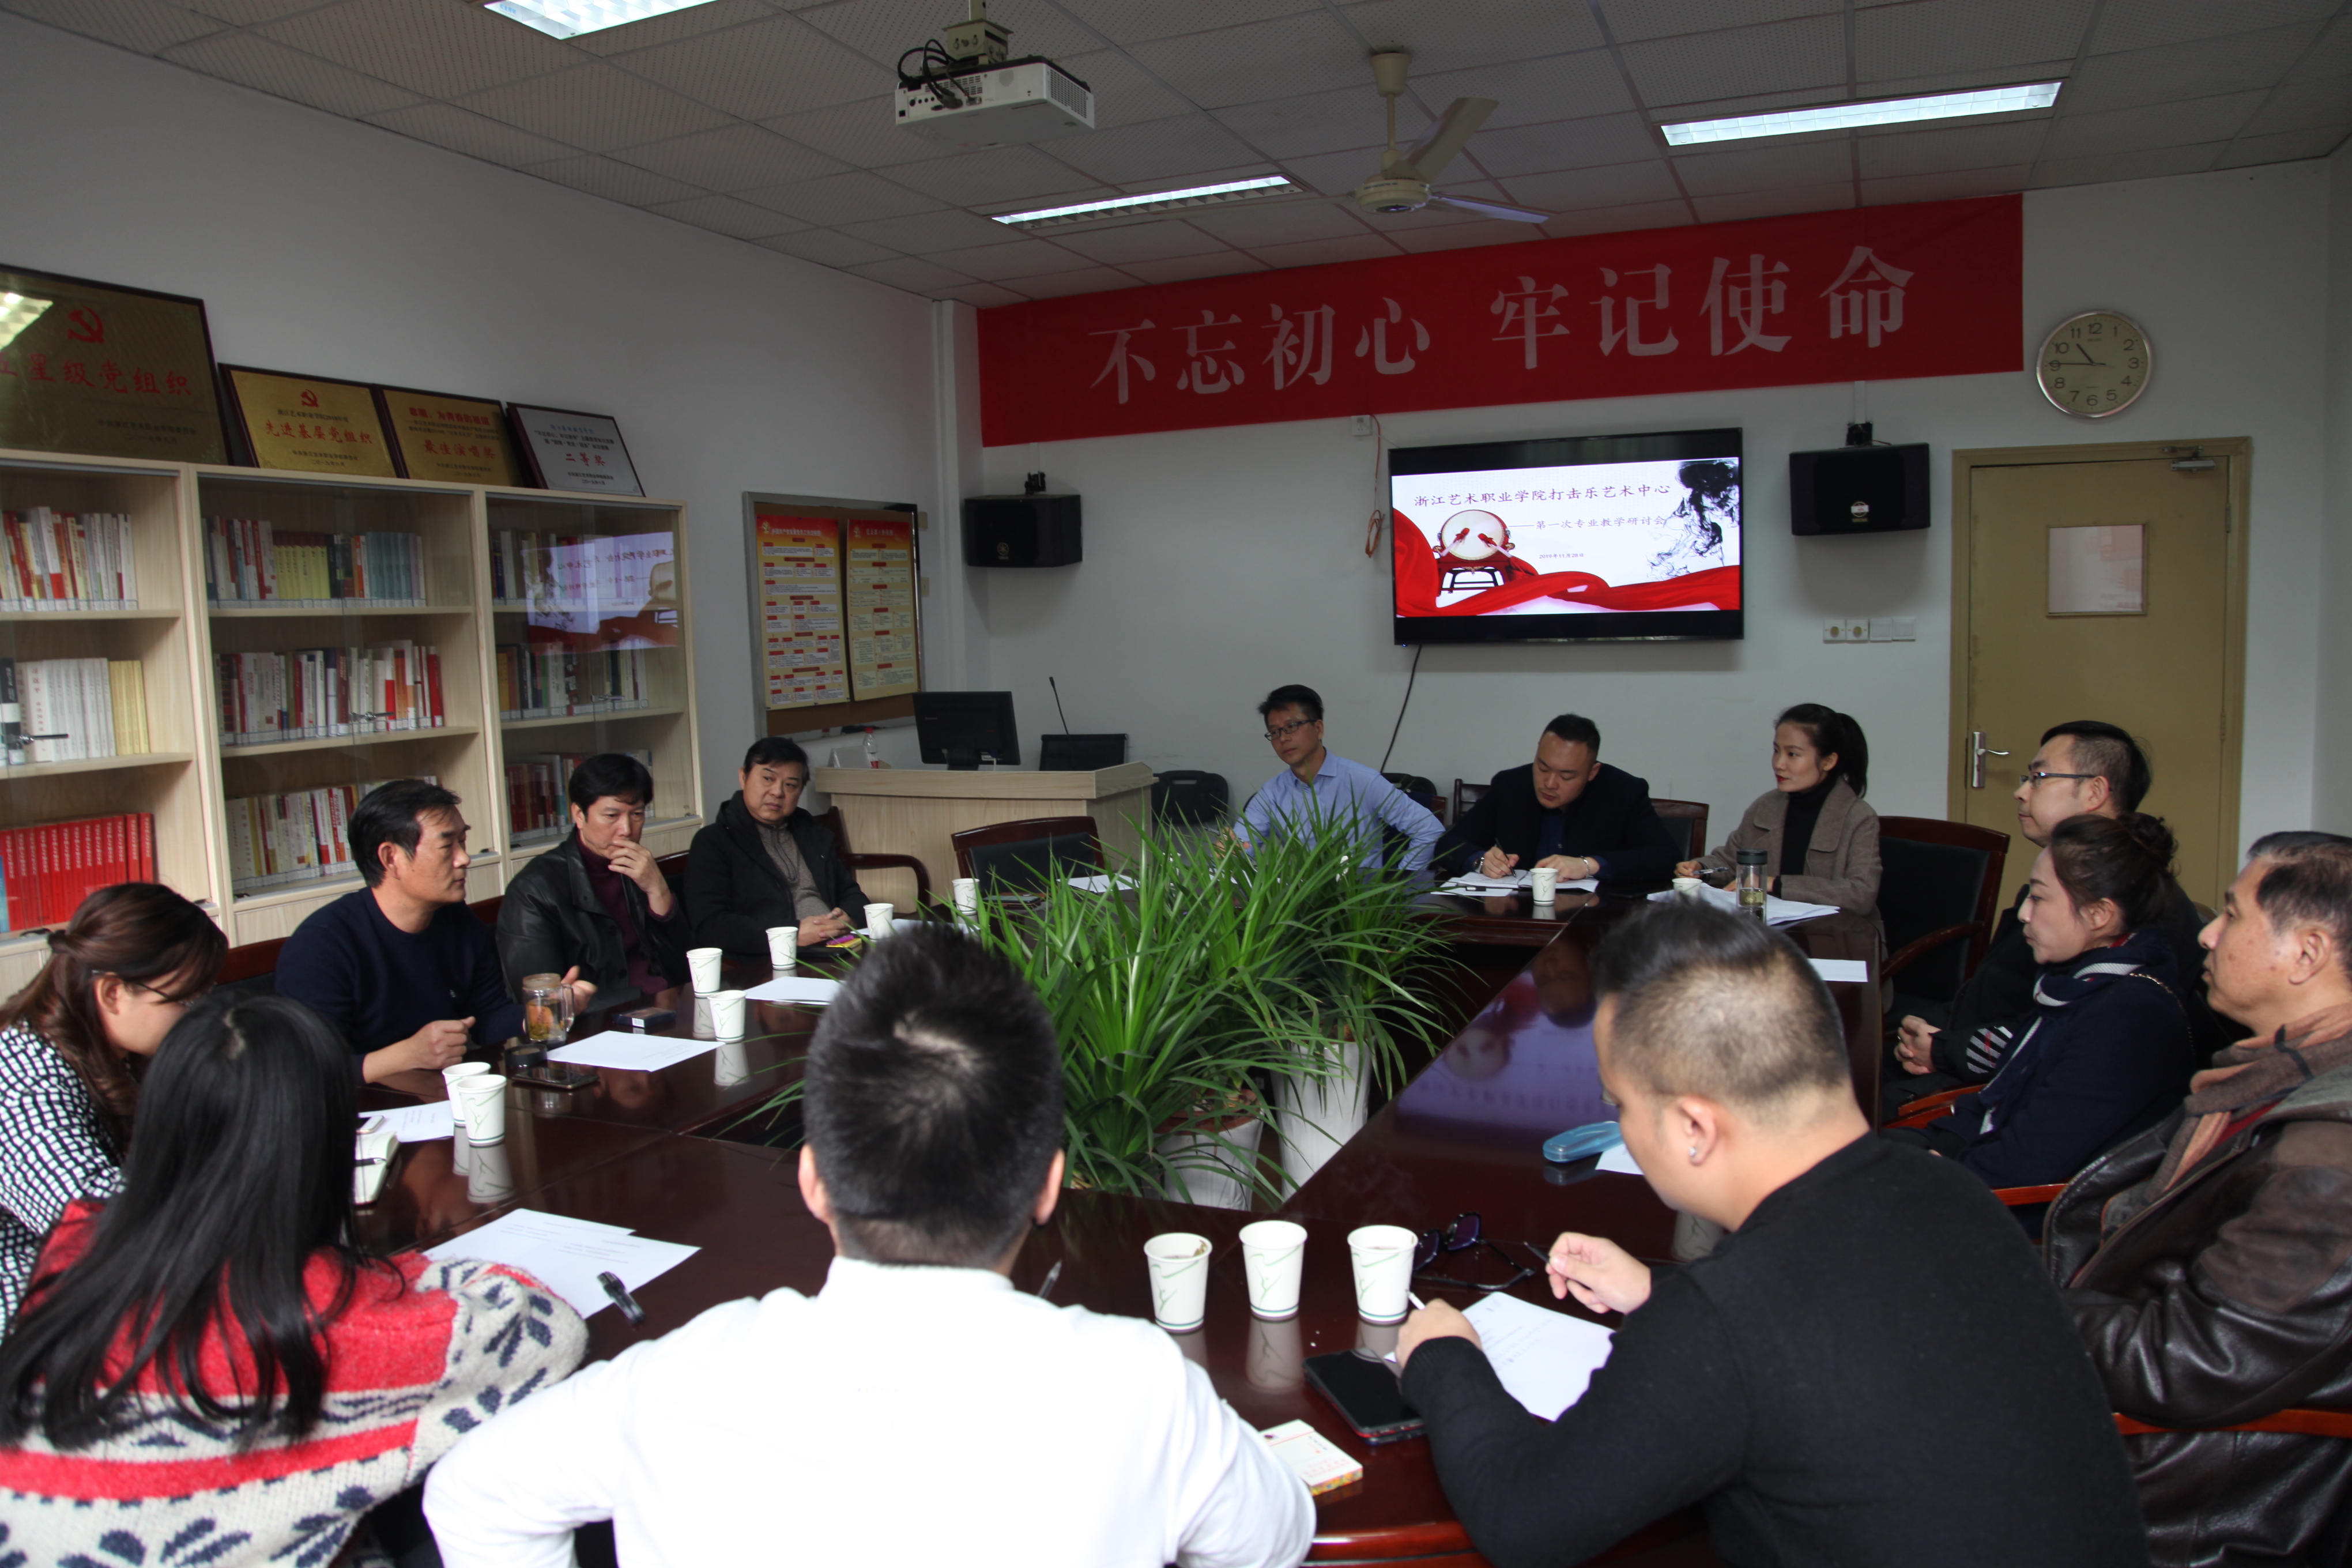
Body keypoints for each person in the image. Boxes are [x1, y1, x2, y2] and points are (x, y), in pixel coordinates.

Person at [424, 924, 1315, 1567]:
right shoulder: (1141, 1386)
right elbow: (1277, 1536)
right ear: (1051, 1185)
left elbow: (471, 1497)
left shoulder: (673, 1380)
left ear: (812, 1180)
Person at [1393, 901, 2147, 1568]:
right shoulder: (1949, 1192)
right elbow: (1833, 1330)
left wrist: (1445, 1356)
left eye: (1618, 1104)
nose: (1619, 1121)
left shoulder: (1721, 1323)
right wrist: (1660, 1291)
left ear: (1694, 1127)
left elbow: (1525, 1520)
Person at [0, 992, 587, 1563]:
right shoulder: (316, 1313)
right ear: (324, 1142)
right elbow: (549, 1332)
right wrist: (396, 1272)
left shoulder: (76, 1243)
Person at [2049, 831, 2352, 1566]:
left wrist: (2009, 1299)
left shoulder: (2329, 1161)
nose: (2208, 934)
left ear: (2307, 953)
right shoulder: (2270, 1074)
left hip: (2171, 1486)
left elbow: (2190, 1363)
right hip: (2111, 1392)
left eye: (2233, 914)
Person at [1890, 719, 2225, 1111]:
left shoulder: (2131, 903)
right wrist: (1930, 1033)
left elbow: (2058, 1032)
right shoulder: (2061, 874)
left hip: (2006, 1083)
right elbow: (1995, 988)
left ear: (2094, 792)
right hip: (1965, 1045)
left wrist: (1944, 1050)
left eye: (2040, 778)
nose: (2020, 792)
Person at [1893, 813, 2195, 1199]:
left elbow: (2030, 1161)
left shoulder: (2130, 1017)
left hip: (2018, 1208)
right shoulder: (2078, 981)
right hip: (1980, 1162)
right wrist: (1942, 1147)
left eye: (2038, 897)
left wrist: (1931, 1176)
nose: (2024, 913)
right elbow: (2001, 1098)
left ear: (2098, 915)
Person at [0, 883, 223, 1325]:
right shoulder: (21, 1080)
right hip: (33, 1312)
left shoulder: (115, 1049)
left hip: (107, 1285)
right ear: (112, 994)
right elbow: (97, 1226)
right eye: (184, 1001)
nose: (200, 1015)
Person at [279, 780, 579, 1081]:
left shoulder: (459, 922)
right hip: (363, 1105)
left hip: (438, 1092)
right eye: (447, 846)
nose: (464, 858)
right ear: (390, 858)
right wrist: (406, 1056)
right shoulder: (320, 946)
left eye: (463, 841)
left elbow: (488, 1018)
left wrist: (548, 1011)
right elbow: (305, 1071)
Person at [497, 752, 688, 1006]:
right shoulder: (534, 890)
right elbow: (540, 1001)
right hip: (606, 1015)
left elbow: (686, 965)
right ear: (579, 814)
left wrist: (658, 891)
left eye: (637, 814)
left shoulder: (641, 868)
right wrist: (640, 1000)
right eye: (611, 816)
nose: (627, 830)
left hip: (666, 1003)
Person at [1677, 703, 1880, 915]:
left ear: (1828, 761)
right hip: (1769, 927)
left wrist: (1774, 883)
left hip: (1834, 932)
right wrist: (1701, 869)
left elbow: (1861, 893)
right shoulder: (1766, 805)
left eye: (1793, 754)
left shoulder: (1858, 817)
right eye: (1776, 751)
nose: (1779, 764)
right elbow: (1730, 862)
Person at [1433, 714, 1680, 884]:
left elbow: (1666, 857)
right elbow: (1448, 843)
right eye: (1543, 768)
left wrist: (1590, 865)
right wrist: (1481, 860)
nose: (1550, 783)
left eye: (1566, 776)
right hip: (1518, 916)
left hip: (1593, 921)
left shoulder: (1623, 791)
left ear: (1592, 772)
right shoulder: (1511, 785)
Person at [685, 737, 867, 956]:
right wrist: (790, 936)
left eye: (790, 785)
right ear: (743, 777)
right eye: (768, 779)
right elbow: (711, 925)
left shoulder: (813, 834)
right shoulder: (714, 842)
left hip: (838, 949)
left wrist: (848, 917)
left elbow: (852, 894)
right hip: (773, 959)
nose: (778, 792)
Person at [1235, 684, 1439, 873]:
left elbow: (1428, 829)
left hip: (1360, 896)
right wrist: (1229, 851)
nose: (1283, 738)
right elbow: (1240, 847)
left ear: (1319, 729)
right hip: (1302, 896)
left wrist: (1401, 884)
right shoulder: (1271, 794)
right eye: (1275, 732)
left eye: (1292, 726)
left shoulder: (1363, 781)